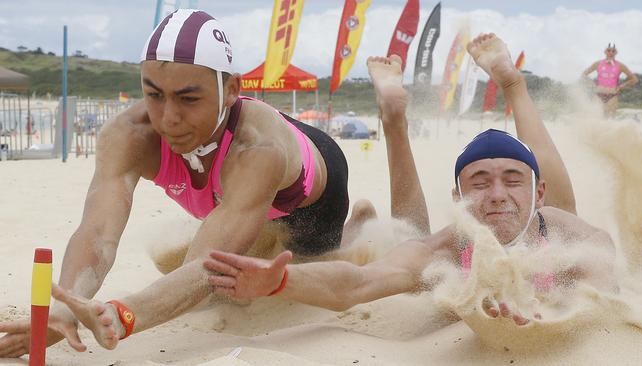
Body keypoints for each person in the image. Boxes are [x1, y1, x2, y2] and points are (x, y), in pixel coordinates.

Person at [0, 9, 422, 357]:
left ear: (232, 90)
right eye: (153, 94)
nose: (168, 118)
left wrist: (123, 314)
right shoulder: (128, 134)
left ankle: (390, 123)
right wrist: (64, 310)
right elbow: (97, 232)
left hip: (312, 194)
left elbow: (203, 266)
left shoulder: (259, 150)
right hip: (233, 191)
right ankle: (357, 225)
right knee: (232, 286)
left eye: (188, 98)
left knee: (326, 267)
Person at [195, 34, 617, 325]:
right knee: (410, 242)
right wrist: (280, 281)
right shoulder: (450, 247)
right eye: (479, 182)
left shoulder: (570, 237)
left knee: (555, 200)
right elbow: (360, 284)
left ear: (535, 193)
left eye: (512, 180)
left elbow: (606, 292)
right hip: (453, 259)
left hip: (550, 220)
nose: (496, 194)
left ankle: (512, 83)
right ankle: (393, 119)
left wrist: (559, 314)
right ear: (459, 197)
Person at [582, 43, 638, 118]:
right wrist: (592, 84)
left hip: (612, 96)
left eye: (613, 51)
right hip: (598, 95)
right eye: (609, 50)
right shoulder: (598, 64)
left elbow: (634, 79)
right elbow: (583, 75)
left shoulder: (620, 65)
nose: (611, 53)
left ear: (616, 53)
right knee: (596, 119)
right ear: (605, 52)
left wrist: (621, 86)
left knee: (610, 120)